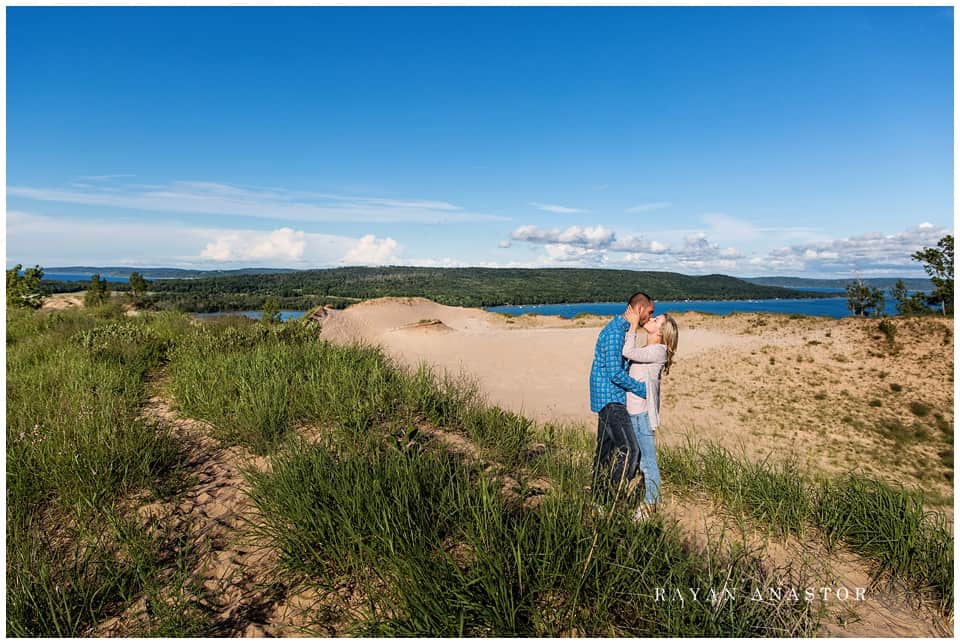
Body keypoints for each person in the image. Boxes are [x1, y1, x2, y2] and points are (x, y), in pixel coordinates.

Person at [589, 291, 654, 502]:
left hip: (607, 396)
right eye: (650, 312)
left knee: (605, 451)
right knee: (630, 449)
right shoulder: (616, 332)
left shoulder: (622, 329)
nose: (651, 316)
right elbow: (615, 373)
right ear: (639, 309)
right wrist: (642, 390)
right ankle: (612, 499)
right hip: (610, 398)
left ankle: (598, 499)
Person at [622, 312, 678, 517]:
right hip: (634, 413)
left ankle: (650, 504)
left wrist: (634, 324)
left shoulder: (658, 351)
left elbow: (627, 351)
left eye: (656, 321)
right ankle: (626, 496)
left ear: (661, 332)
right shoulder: (649, 349)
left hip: (642, 415)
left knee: (648, 461)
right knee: (634, 459)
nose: (651, 320)